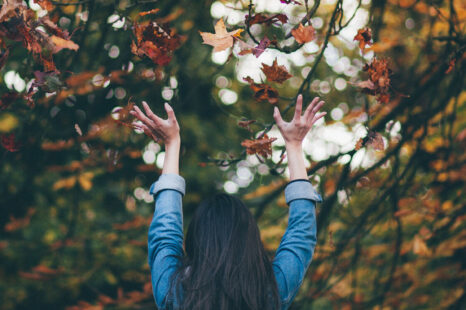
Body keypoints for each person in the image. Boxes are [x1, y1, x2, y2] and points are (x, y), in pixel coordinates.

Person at [130, 94, 326, 310]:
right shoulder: (271, 291)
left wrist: (172, 144)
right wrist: (294, 145)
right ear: (250, 239)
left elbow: (164, 233)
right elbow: (301, 236)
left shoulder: (173, 291)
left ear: (196, 239)